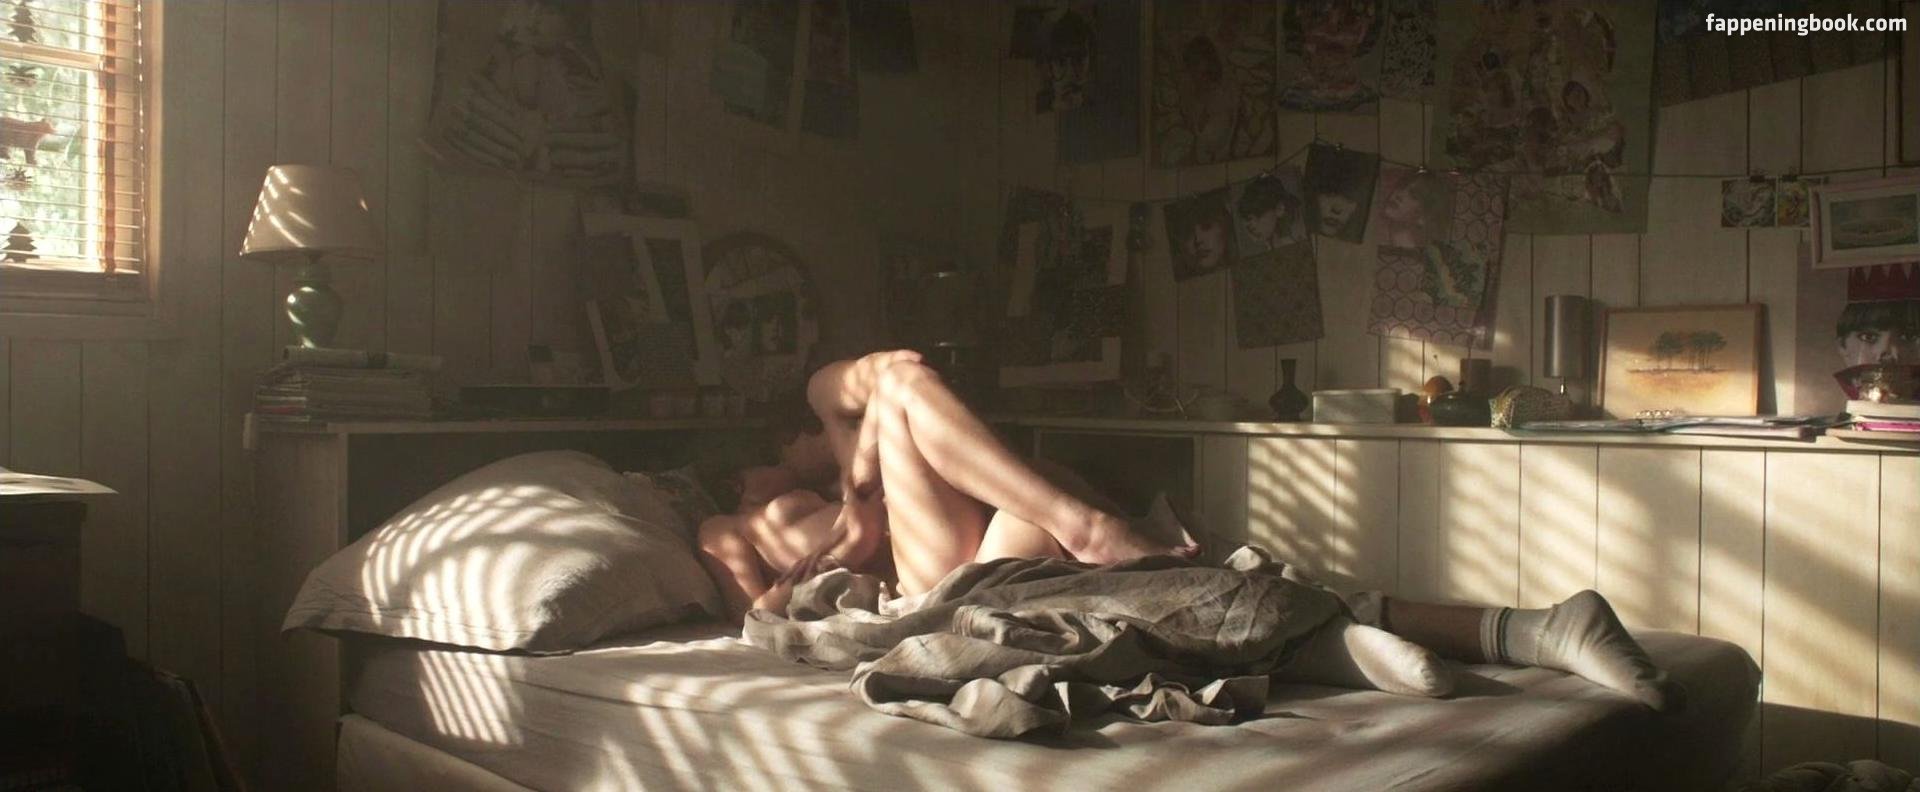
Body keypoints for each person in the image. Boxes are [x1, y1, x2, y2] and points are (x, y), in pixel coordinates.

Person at [696, 351, 1679, 710]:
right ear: (747, 460)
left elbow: (860, 385)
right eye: (796, 449)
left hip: (982, 554)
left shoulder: (841, 448)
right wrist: (825, 553)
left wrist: (855, 486)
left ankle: (1506, 630)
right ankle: (1491, 633)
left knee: (1159, 582)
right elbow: (760, 619)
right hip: (931, 585)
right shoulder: (730, 519)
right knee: (908, 390)